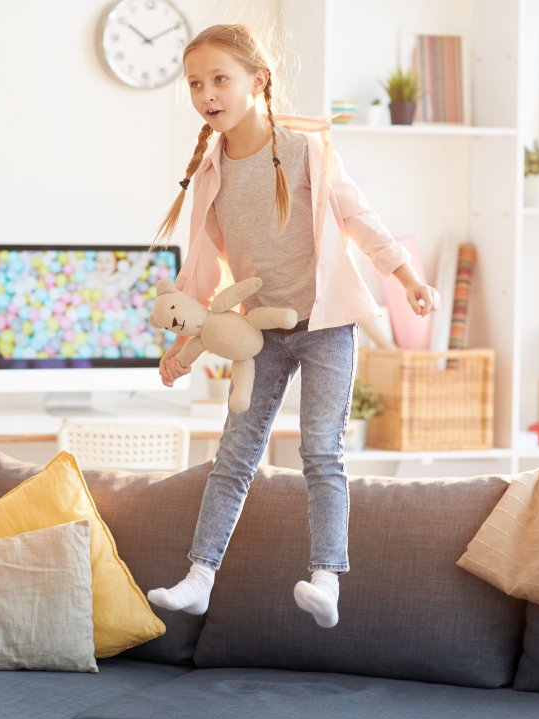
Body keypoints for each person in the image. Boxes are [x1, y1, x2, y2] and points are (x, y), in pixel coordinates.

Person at [147, 24, 439, 628]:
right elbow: (199, 274)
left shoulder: (305, 151)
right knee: (234, 453)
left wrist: (406, 277)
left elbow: (359, 218)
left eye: (219, 79)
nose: (207, 94)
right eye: (196, 84)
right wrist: (183, 347)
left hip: (326, 323)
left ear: (258, 80)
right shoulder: (209, 173)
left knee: (320, 451)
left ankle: (326, 578)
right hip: (258, 335)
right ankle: (200, 577)